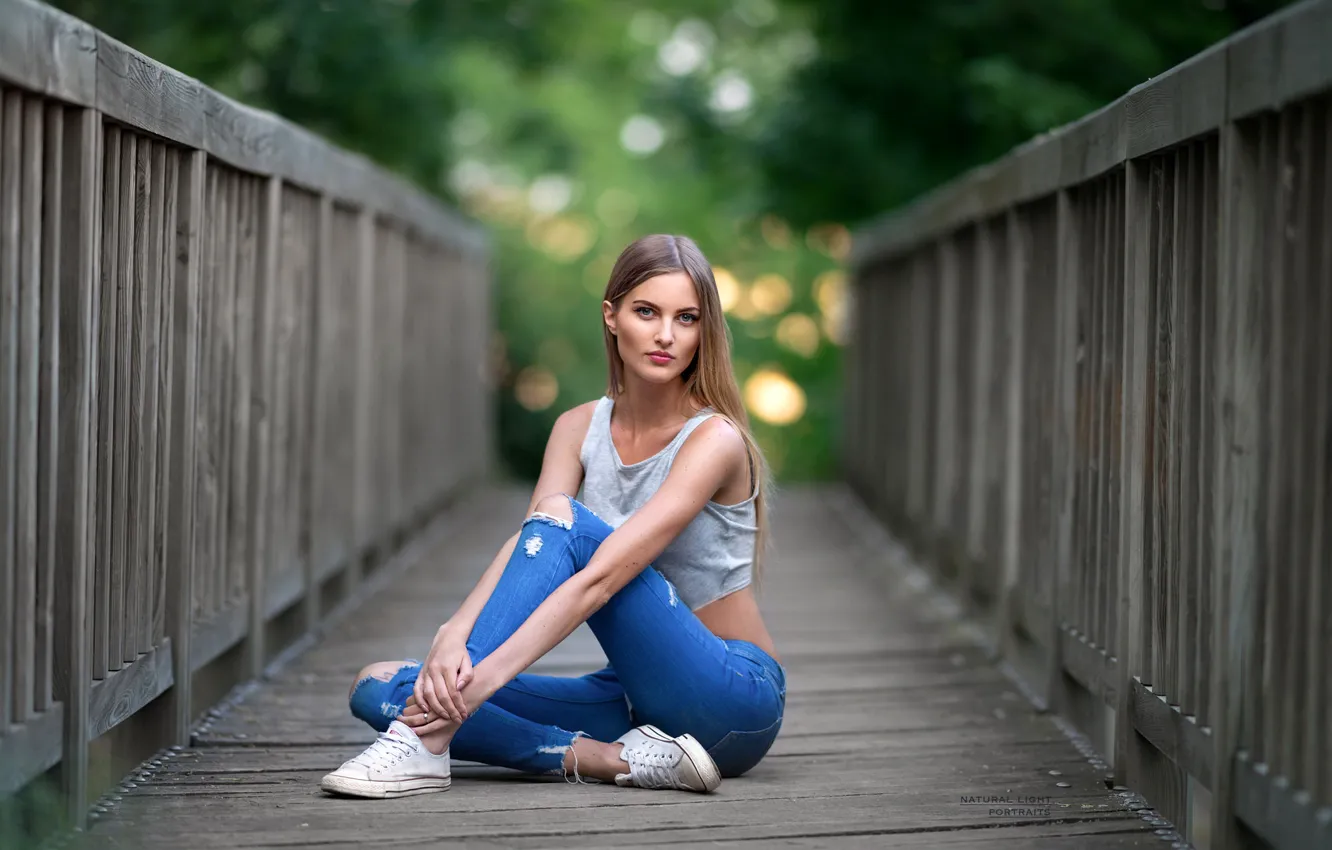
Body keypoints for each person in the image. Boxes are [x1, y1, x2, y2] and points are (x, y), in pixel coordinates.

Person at [320, 234, 785, 798]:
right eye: (647, 312)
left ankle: (426, 743)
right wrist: (455, 633)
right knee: (380, 685)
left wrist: (476, 686)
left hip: (732, 699)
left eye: (686, 319)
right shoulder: (576, 428)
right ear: (612, 318)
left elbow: (600, 578)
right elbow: (533, 541)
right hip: (635, 707)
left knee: (448, 690)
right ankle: (606, 760)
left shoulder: (714, 438)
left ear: (702, 333)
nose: (666, 334)